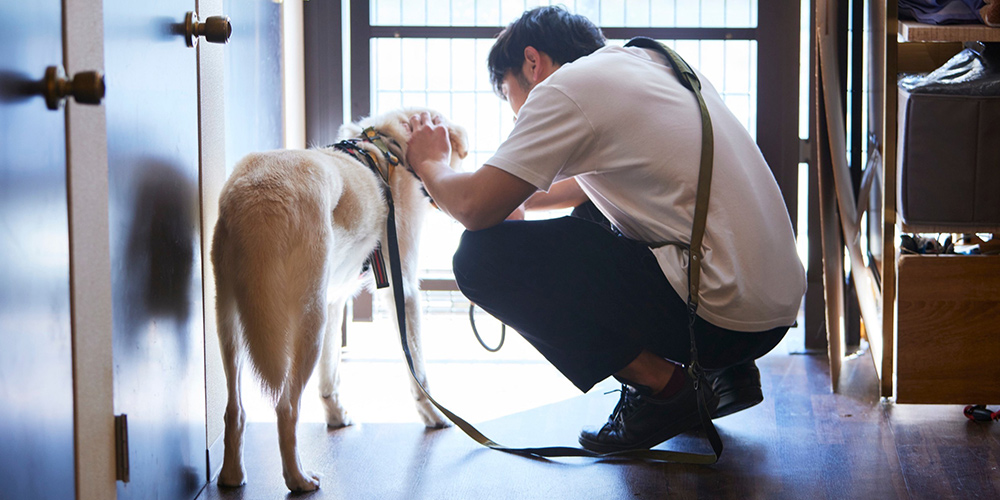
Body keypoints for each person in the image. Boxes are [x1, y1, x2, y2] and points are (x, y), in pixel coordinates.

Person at [404, 6, 806, 453]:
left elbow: (475, 208)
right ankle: (721, 373)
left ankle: (667, 390)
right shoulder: (649, 63)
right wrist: (506, 196)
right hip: (767, 313)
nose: (515, 112)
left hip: (720, 315)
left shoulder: (564, 89)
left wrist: (430, 162)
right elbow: (578, 189)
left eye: (508, 94)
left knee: (480, 259)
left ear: (532, 62)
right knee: (592, 209)